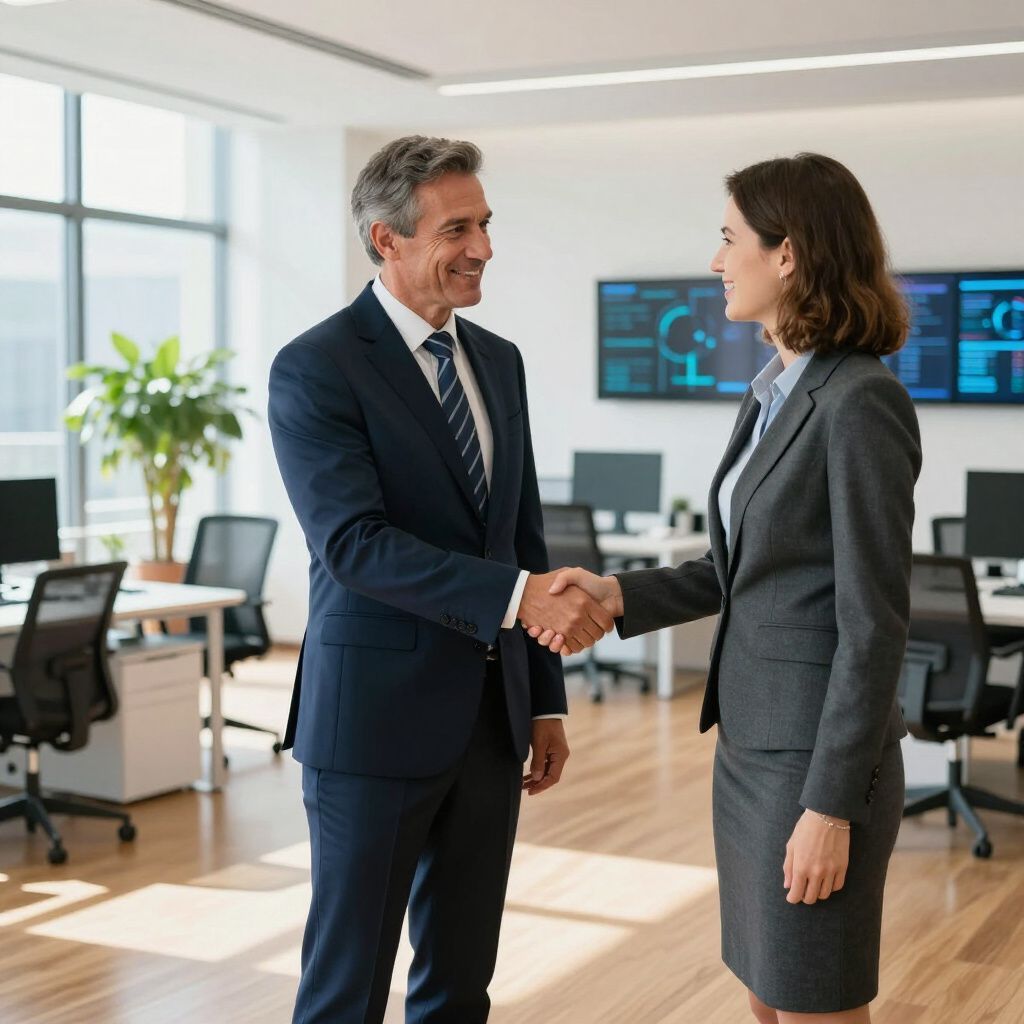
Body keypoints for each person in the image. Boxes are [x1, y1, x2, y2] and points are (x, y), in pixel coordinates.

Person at [525, 153, 921, 1024]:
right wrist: (616, 592)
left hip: (815, 766)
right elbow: (738, 572)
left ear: (788, 255)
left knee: (814, 1000)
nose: (715, 261)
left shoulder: (859, 401)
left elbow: (874, 625)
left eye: (727, 237)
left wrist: (829, 806)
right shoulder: (774, 393)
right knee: (765, 995)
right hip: (748, 751)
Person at [268, 135, 613, 1024]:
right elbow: (354, 543)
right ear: (386, 239)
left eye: (486, 225)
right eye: (457, 228)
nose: (484, 248)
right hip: (374, 726)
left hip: (492, 725)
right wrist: (513, 600)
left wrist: (543, 699)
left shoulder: (499, 361)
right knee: (346, 988)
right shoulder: (317, 365)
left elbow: (521, 535)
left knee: (461, 984)